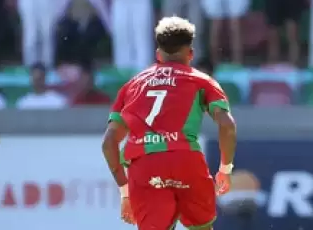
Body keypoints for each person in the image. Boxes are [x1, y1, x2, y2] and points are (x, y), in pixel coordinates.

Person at [101, 16, 237, 230]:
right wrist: (225, 169)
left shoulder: (132, 85)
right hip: (186, 160)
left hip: (145, 165)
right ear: (190, 54)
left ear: (158, 54)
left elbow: (109, 142)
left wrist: (125, 192)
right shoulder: (203, 81)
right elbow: (227, 125)